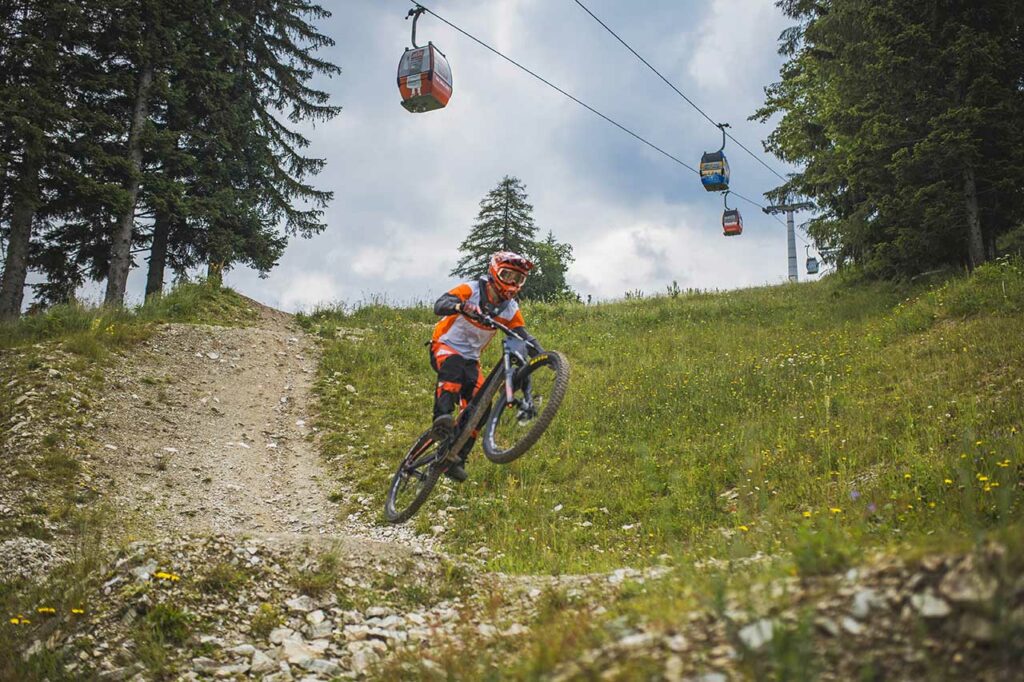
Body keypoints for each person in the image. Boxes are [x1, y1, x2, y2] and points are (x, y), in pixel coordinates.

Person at [429, 251, 543, 482]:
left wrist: (542, 354)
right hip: (445, 345)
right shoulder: (470, 290)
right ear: (493, 272)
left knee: (482, 407)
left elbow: (522, 334)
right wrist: (461, 307)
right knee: (453, 368)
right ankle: (441, 420)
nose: (512, 283)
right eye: (507, 275)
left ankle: (456, 457)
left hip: (472, 359)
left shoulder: (510, 308)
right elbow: (441, 304)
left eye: (518, 279)